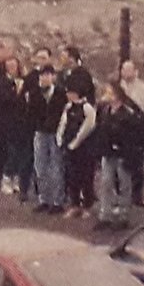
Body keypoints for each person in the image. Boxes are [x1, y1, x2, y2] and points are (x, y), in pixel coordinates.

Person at [93, 85, 142, 229]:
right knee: (106, 183)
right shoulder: (105, 110)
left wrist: (126, 150)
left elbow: (132, 136)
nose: (106, 95)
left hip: (122, 153)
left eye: (109, 93)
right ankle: (105, 214)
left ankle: (123, 215)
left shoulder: (128, 114)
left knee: (124, 184)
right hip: (108, 152)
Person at [26, 65, 68, 214]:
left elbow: (64, 112)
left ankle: (58, 201)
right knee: (40, 166)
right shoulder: (35, 93)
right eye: (42, 76)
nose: (44, 78)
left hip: (55, 133)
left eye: (47, 75)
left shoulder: (61, 93)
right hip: (40, 132)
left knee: (56, 166)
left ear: (53, 77)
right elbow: (31, 112)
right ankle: (44, 199)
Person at [59, 85, 100, 219]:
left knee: (86, 176)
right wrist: (60, 139)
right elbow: (63, 123)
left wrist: (76, 142)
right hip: (70, 148)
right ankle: (75, 204)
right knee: (72, 177)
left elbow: (88, 127)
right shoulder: (68, 107)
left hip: (85, 149)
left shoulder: (87, 108)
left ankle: (87, 205)